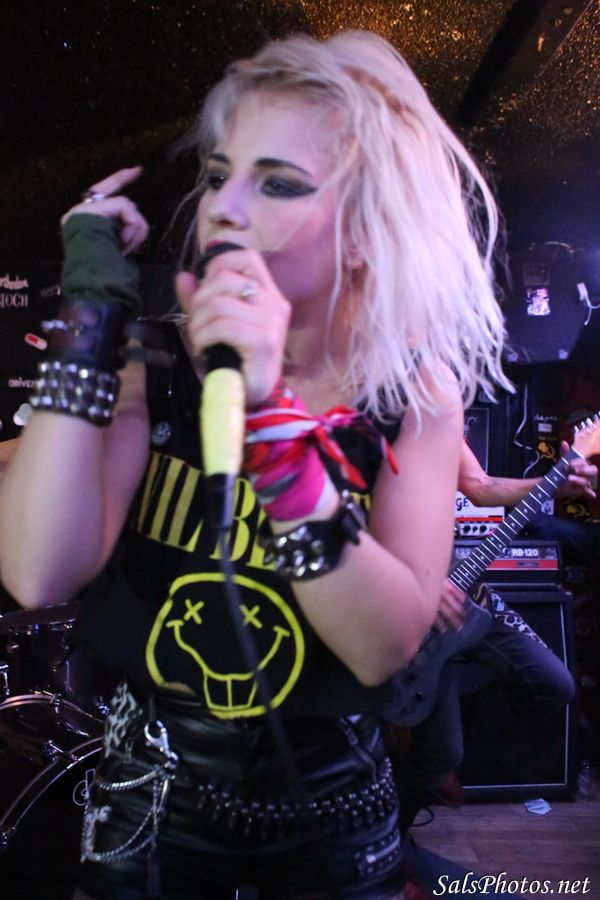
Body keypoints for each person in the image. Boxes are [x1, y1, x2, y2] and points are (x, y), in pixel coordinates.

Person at [0, 30, 511, 900]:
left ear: (364, 232)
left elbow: (383, 645)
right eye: (217, 174)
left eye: (276, 183)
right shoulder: (154, 363)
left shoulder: (414, 394)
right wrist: (89, 318)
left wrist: (270, 423)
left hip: (333, 824)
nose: (223, 207)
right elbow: (38, 570)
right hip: (146, 815)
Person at [393, 438, 597, 834]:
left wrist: (554, 484)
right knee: (441, 754)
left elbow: (481, 487)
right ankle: (390, 841)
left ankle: (441, 695)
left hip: (464, 591)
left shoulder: (443, 413)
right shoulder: (372, 421)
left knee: (555, 683)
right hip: (412, 597)